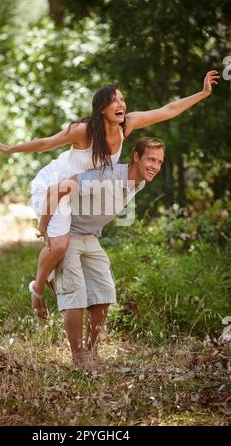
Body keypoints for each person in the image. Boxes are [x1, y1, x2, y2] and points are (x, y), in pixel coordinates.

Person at [0, 70, 219, 319]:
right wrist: (11, 149)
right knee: (60, 245)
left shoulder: (126, 125)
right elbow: (46, 143)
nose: (121, 104)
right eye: (114, 101)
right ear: (101, 109)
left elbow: (167, 110)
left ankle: (59, 280)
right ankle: (37, 289)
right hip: (54, 185)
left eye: (122, 99)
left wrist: (203, 93)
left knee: (68, 243)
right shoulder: (83, 131)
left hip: (79, 190)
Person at [38, 137, 164, 366]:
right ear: (136, 156)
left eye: (159, 162)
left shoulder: (139, 182)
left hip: (90, 237)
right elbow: (59, 188)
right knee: (75, 296)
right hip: (69, 231)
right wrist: (44, 225)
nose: (155, 166)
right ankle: (78, 358)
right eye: (151, 159)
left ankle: (91, 351)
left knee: (104, 293)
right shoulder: (107, 176)